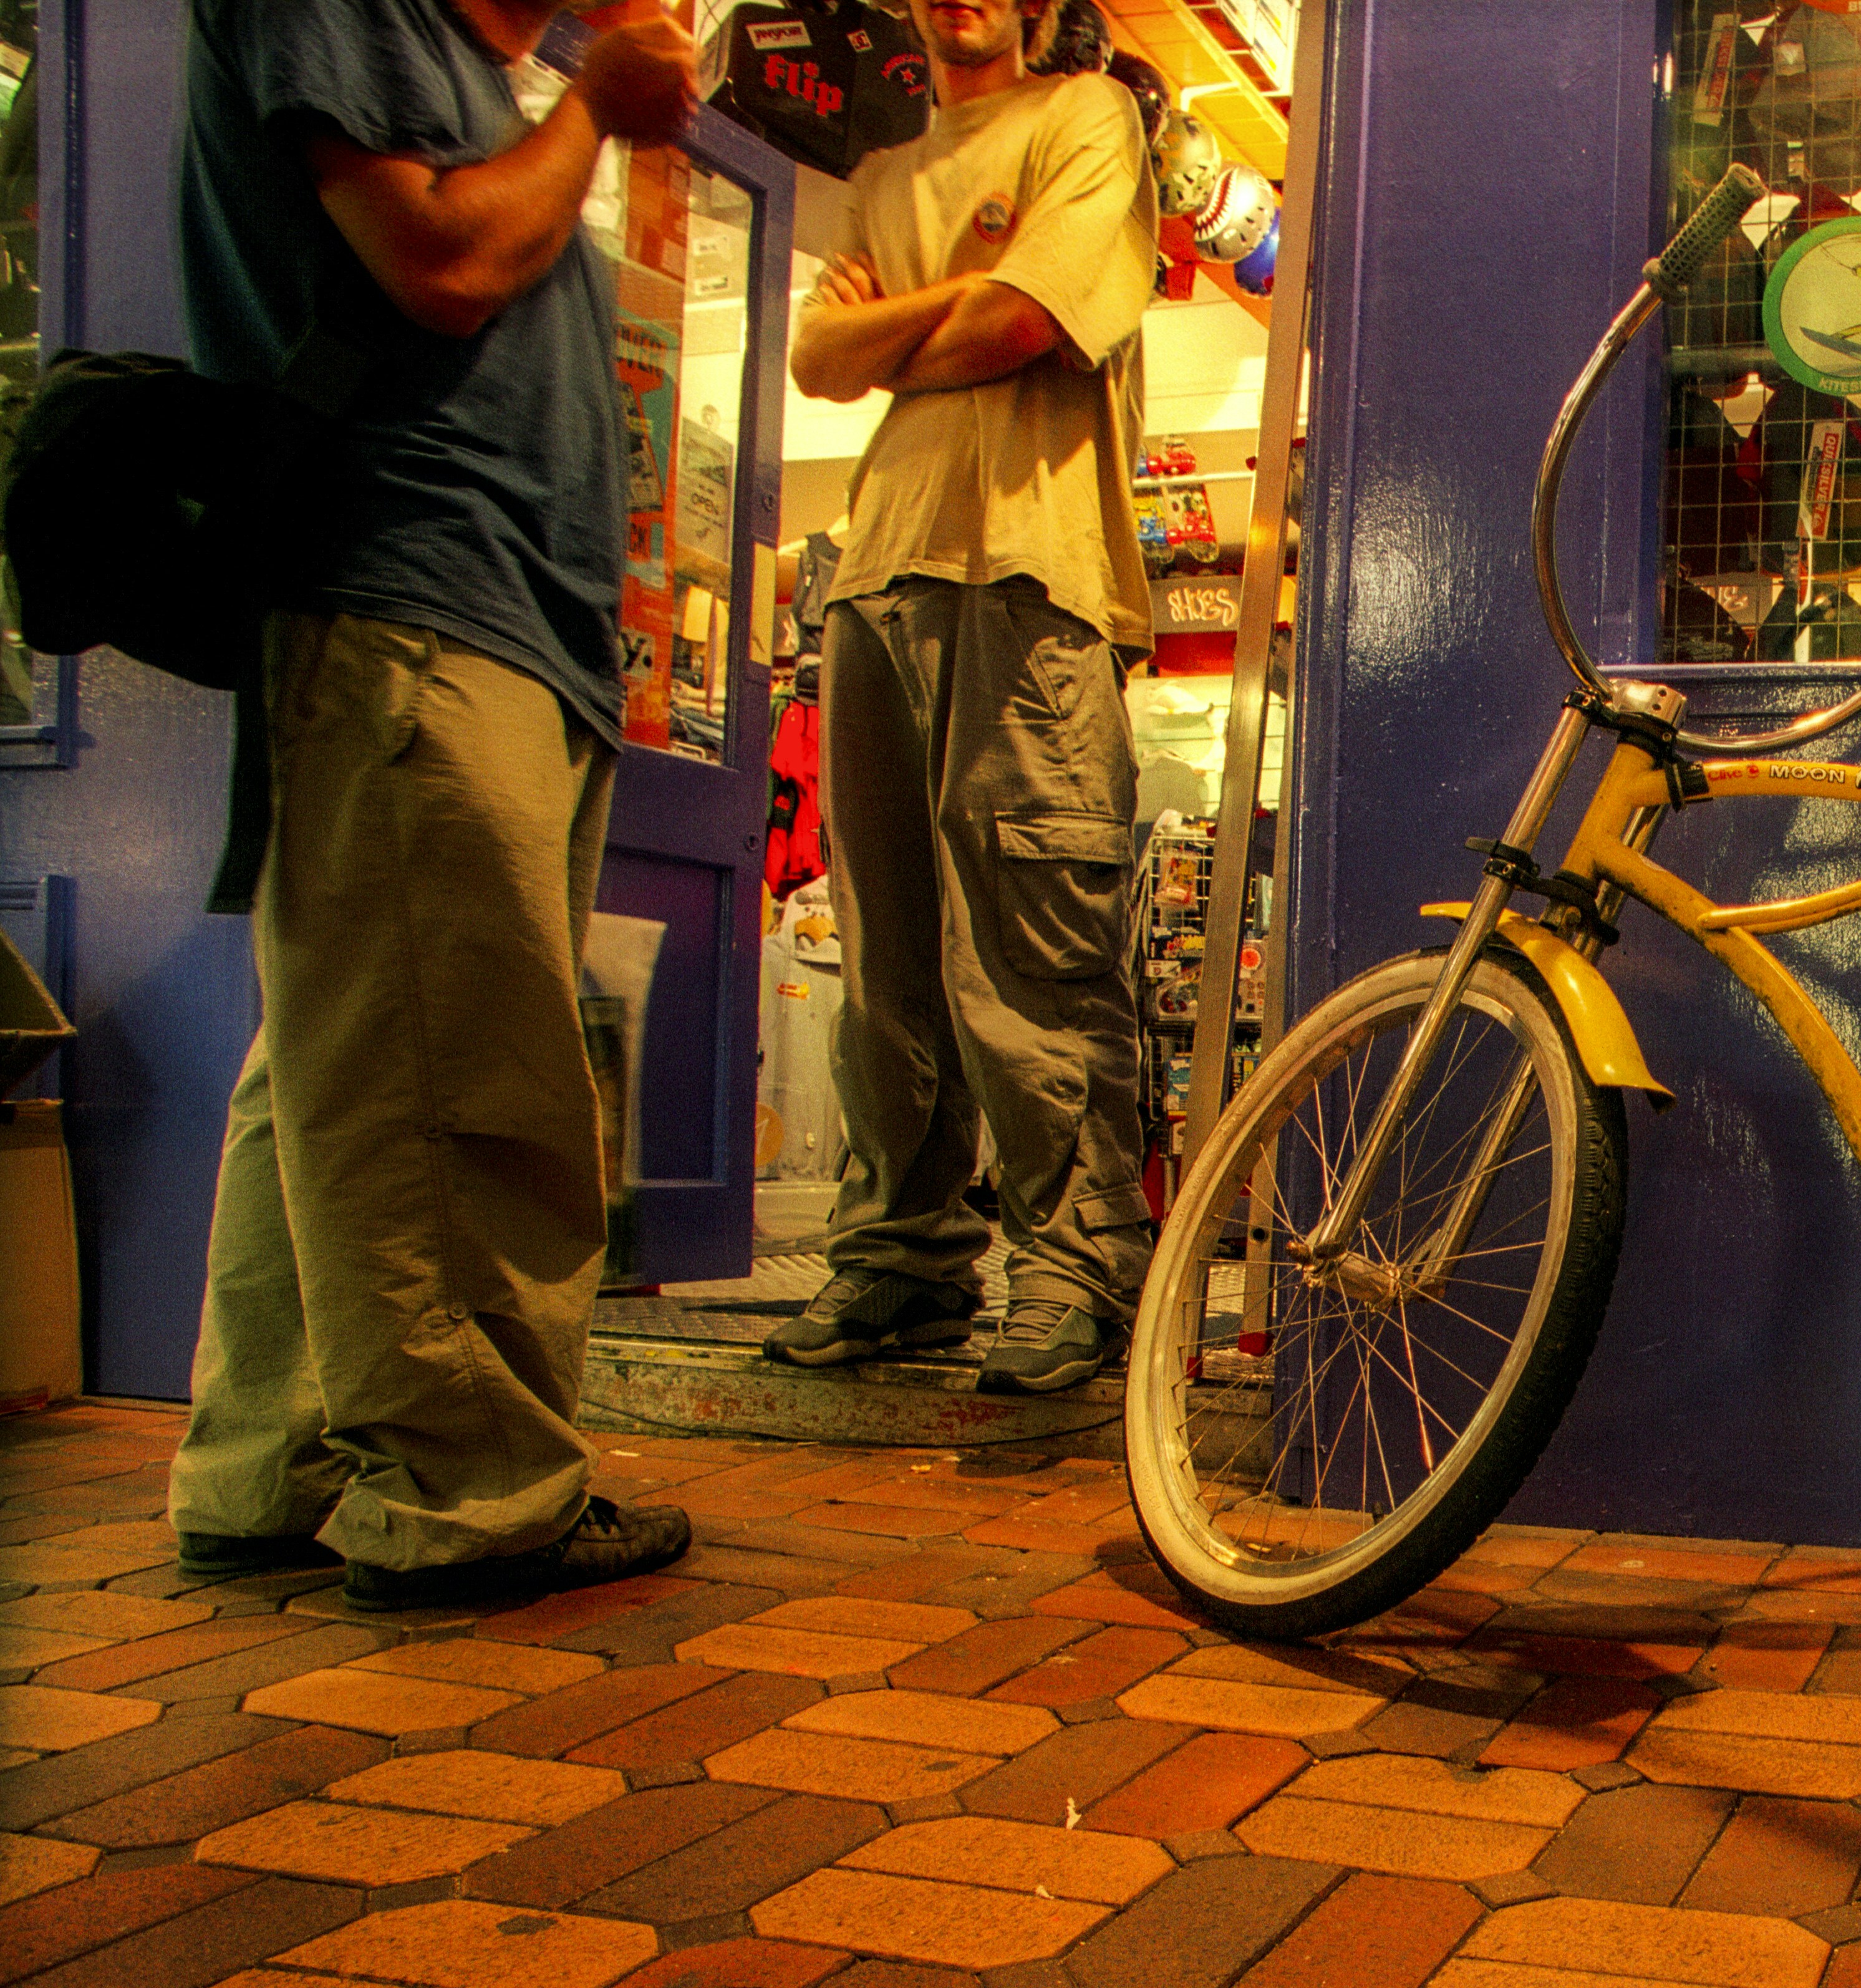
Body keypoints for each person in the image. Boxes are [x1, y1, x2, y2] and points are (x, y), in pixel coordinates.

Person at [162, 0, 703, 1613]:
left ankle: (275, 1465)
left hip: (472, 612)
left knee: (345, 1060)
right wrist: (596, 107)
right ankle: (472, 1489)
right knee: (457, 1065)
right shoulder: (367, 18)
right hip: (419, 598)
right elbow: (441, 257)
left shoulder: (472, 67)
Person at [773, 0, 1159, 1394]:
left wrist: (898, 325)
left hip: (1032, 576)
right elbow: (814, 365)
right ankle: (899, 1261)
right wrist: (952, 316)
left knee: (1034, 952)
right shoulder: (881, 176)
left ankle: (1077, 1267)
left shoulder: (1089, 118)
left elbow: (1024, 318)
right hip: (872, 574)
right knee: (881, 963)